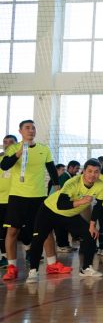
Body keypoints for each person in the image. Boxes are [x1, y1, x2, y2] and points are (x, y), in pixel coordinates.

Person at [26, 159, 103, 280]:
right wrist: (81, 201)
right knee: (39, 238)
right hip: (50, 210)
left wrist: (92, 225)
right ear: (84, 171)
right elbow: (61, 204)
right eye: (90, 171)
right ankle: (33, 271)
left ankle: (86, 268)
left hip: (70, 214)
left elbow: (98, 206)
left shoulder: (101, 185)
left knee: (90, 234)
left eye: (96, 172)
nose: (92, 175)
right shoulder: (72, 182)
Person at [1, 120, 60, 282]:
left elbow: (51, 169)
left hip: (39, 196)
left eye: (33, 128)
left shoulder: (43, 149)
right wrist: (18, 153)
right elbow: (4, 165)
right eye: (27, 128)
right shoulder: (13, 148)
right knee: (12, 231)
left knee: (45, 230)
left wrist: (57, 188)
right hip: (18, 196)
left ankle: (52, 264)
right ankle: (12, 267)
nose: (31, 130)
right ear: (20, 131)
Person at [0, 135, 18, 268]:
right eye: (5, 142)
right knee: (2, 231)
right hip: (1, 200)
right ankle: (4, 256)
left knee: (16, 230)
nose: (7, 144)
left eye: (11, 142)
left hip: (15, 199)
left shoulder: (20, 159)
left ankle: (29, 251)